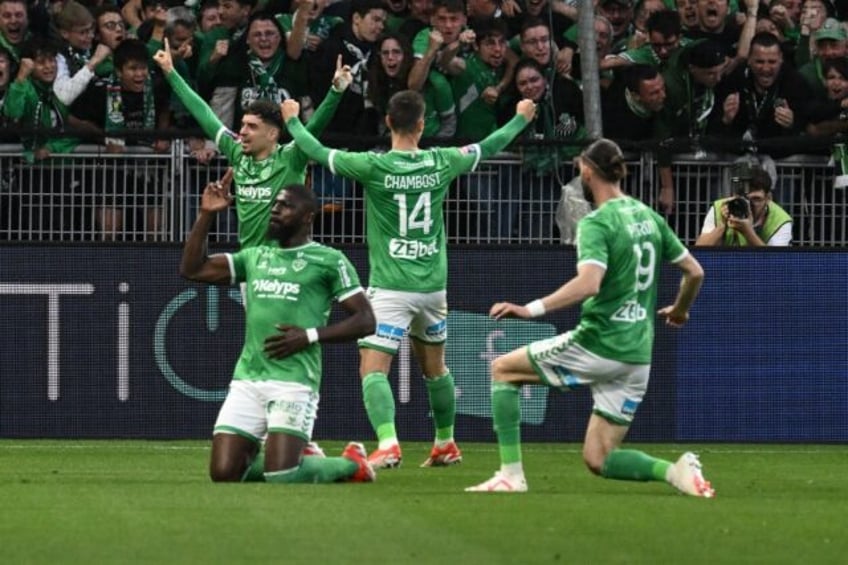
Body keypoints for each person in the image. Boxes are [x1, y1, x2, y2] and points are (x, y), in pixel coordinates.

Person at [280, 90, 536, 468]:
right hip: (433, 288)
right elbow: (490, 144)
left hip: (390, 287)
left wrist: (292, 120)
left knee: (372, 366)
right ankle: (446, 443)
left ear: (387, 122)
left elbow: (317, 152)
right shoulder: (443, 161)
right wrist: (521, 117)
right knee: (436, 369)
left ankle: (388, 442)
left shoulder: (372, 166)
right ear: (422, 124)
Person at [466, 138, 712, 496]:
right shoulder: (648, 216)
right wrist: (680, 310)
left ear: (586, 168)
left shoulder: (597, 222)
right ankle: (676, 472)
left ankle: (510, 475)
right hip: (637, 356)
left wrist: (529, 309)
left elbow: (589, 283)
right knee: (599, 458)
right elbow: (695, 271)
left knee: (503, 370)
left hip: (600, 343)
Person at [180, 169, 377, 484]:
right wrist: (205, 215)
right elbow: (193, 269)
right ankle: (288, 455)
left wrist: (310, 335)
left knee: (282, 477)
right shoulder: (256, 257)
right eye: (274, 205)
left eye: (284, 207)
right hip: (248, 378)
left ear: (307, 217)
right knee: (224, 474)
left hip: (295, 381)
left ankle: (352, 464)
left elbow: (366, 320)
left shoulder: (329, 260)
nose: (274, 211)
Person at [152, 37, 350, 249]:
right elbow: (203, 112)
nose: (243, 132)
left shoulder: (291, 158)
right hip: (250, 266)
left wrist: (335, 92)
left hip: (286, 266)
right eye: (243, 125)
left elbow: (315, 127)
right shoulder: (236, 150)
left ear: (273, 133)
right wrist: (171, 73)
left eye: (252, 127)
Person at [695, 162, 792, 246]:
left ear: (768, 198)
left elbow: (775, 263)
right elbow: (699, 251)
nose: (749, 205)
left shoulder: (780, 221)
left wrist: (748, 232)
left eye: (756, 199)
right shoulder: (719, 208)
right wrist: (721, 227)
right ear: (733, 195)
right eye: (744, 198)